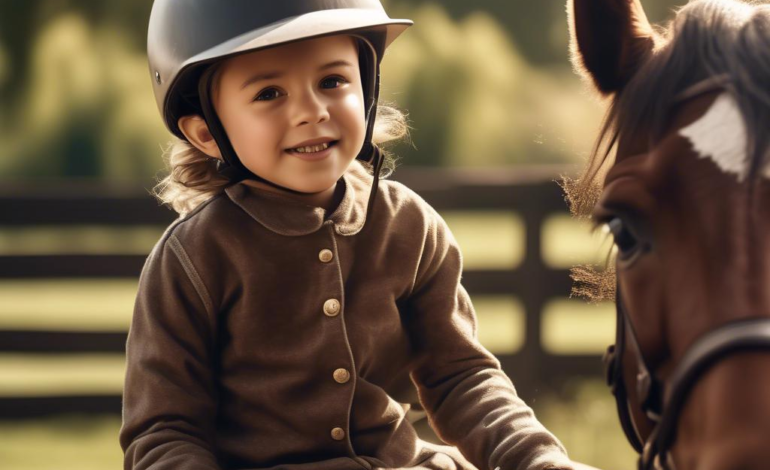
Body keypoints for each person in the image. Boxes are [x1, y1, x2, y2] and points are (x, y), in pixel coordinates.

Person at [120, 1, 581, 469]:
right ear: (206, 132)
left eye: (332, 81)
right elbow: (164, 432)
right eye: (269, 93)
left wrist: (538, 461)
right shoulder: (193, 258)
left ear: (368, 88)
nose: (311, 111)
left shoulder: (408, 225)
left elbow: (462, 378)